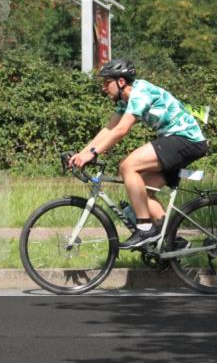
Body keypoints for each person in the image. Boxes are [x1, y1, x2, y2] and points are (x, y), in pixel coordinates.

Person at [68, 58, 209, 248]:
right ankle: (171, 242)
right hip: (176, 140)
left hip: (186, 139)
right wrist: (82, 153)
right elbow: (110, 128)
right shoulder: (125, 101)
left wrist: (92, 154)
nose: (103, 87)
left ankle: (145, 228)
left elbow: (121, 130)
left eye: (106, 82)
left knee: (128, 166)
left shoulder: (140, 92)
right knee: (143, 190)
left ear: (121, 81)